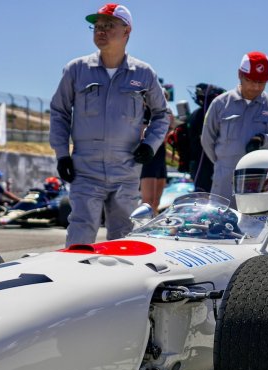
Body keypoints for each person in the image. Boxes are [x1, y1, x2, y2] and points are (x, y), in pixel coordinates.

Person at [49, 3, 170, 246]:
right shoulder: (76, 70)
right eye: (97, 26)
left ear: (127, 32)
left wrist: (150, 145)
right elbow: (59, 112)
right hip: (85, 168)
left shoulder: (144, 74)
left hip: (126, 169)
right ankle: (76, 282)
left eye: (109, 26)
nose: (101, 31)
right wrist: (62, 155)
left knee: (123, 237)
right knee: (80, 233)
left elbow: (162, 114)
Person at [201, 51, 268, 206]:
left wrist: (264, 140)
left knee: (255, 226)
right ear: (240, 75)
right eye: (251, 80)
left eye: (262, 82)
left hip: (259, 182)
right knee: (220, 224)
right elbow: (207, 140)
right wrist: (224, 162)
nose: (256, 87)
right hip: (224, 182)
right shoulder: (220, 103)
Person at [140, 84, 174, 214]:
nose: (164, 101)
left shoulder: (165, 112)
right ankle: (143, 226)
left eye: (166, 98)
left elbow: (170, 132)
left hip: (160, 155)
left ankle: (153, 225)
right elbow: (142, 131)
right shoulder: (146, 110)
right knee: (148, 201)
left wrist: (170, 125)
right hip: (149, 155)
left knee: (156, 201)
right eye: (162, 97)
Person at [188, 83, 225, 192]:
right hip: (204, 163)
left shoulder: (195, 114)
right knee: (203, 197)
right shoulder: (205, 114)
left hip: (198, 163)